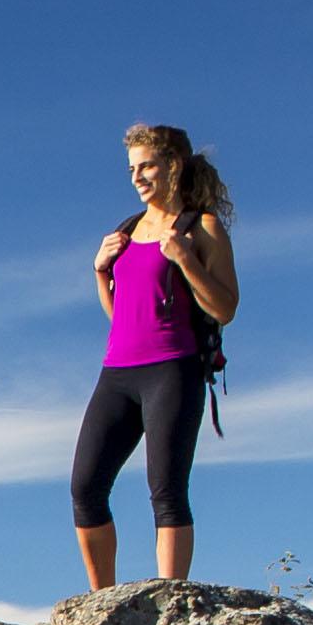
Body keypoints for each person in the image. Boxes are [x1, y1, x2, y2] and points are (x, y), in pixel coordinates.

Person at [70, 124, 237, 591]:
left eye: (146, 166)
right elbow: (121, 314)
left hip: (174, 369)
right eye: (132, 169)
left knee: (165, 491)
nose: (138, 177)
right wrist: (100, 272)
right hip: (117, 373)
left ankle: (170, 602)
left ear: (173, 166)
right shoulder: (125, 231)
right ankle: (101, 602)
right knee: (86, 488)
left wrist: (185, 260)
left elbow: (226, 307)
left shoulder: (200, 226)